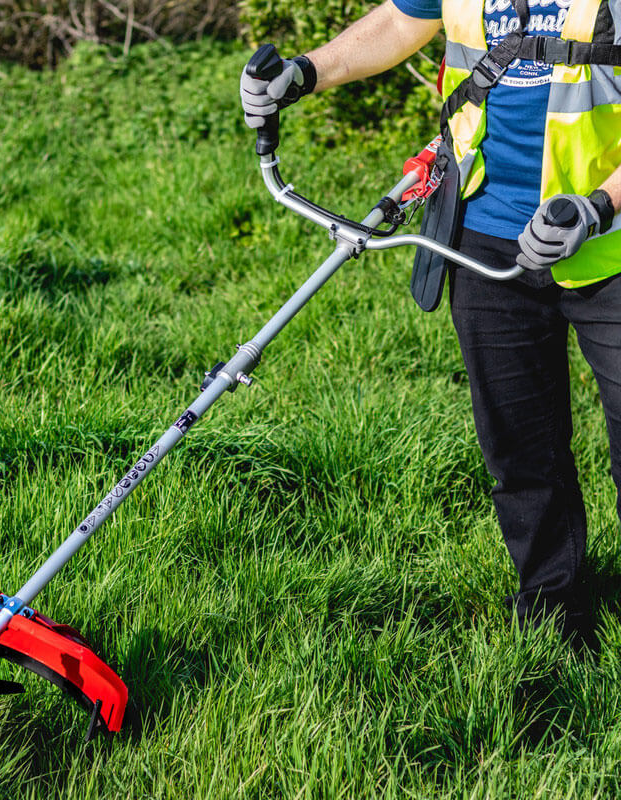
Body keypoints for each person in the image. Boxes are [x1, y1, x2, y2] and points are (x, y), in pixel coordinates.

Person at [240, 0, 621, 643]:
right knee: (519, 447)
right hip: (485, 236)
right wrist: (304, 73)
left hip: (609, 241)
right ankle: (552, 617)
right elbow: (398, 23)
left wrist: (599, 206)